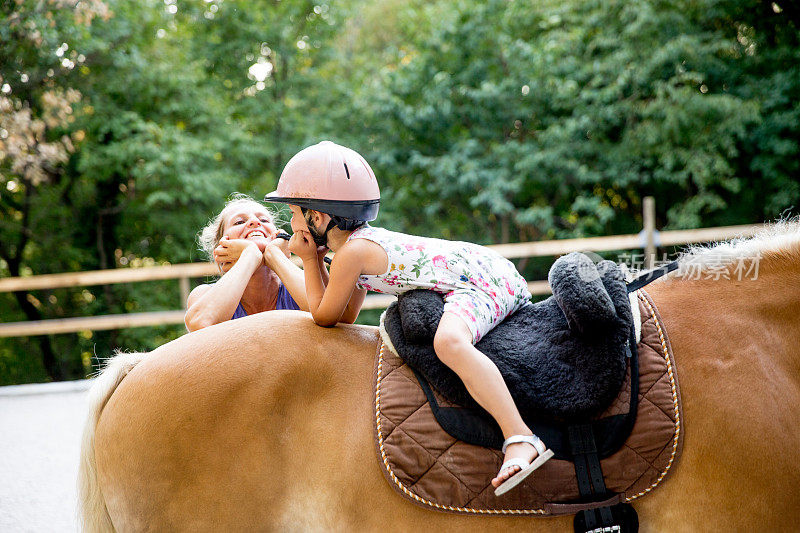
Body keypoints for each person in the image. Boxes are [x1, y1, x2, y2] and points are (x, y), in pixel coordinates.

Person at [265, 141, 554, 496]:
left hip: (481, 281)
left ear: (319, 218)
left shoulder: (353, 252)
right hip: (479, 271)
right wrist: (319, 258)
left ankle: (520, 436)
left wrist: (308, 261)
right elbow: (346, 314)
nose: (291, 223)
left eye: (295, 212)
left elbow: (323, 316)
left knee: (448, 342)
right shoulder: (351, 250)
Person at [184, 195, 327, 331]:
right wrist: (250, 255)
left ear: (277, 236)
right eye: (239, 222)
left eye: (264, 220)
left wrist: (274, 254)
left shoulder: (307, 282)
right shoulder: (204, 293)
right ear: (221, 246)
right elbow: (201, 323)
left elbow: (328, 313)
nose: (255, 222)